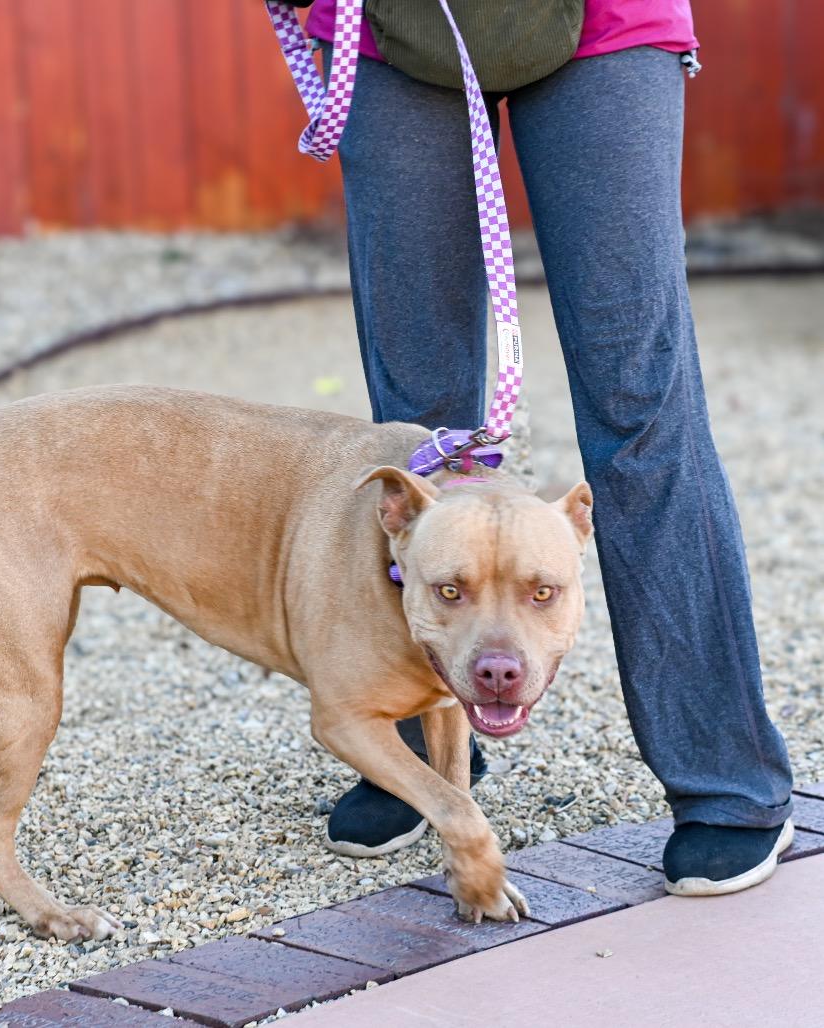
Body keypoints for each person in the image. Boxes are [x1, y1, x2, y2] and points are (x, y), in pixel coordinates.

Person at [299, 0, 795, 895]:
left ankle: (726, 777)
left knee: (638, 404)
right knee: (417, 430)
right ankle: (415, 751)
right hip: (390, 29)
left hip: (606, 22)